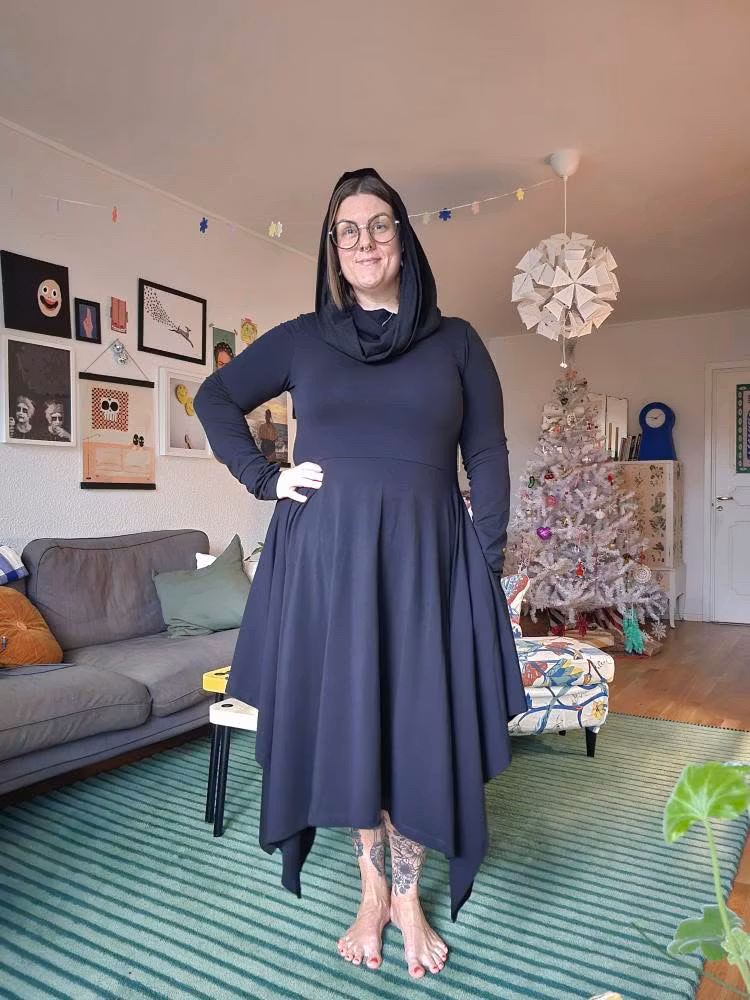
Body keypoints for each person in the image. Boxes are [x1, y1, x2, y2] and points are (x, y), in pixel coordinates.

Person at [194, 168, 525, 979]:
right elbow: (214, 398)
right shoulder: (303, 338)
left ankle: (409, 900)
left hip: (427, 565)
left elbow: (487, 452)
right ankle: (373, 894)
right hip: (327, 564)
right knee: (350, 724)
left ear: (403, 237)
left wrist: (484, 561)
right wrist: (266, 478)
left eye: (378, 225)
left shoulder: (457, 342)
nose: (364, 241)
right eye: (347, 229)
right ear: (332, 247)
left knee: (415, 727)